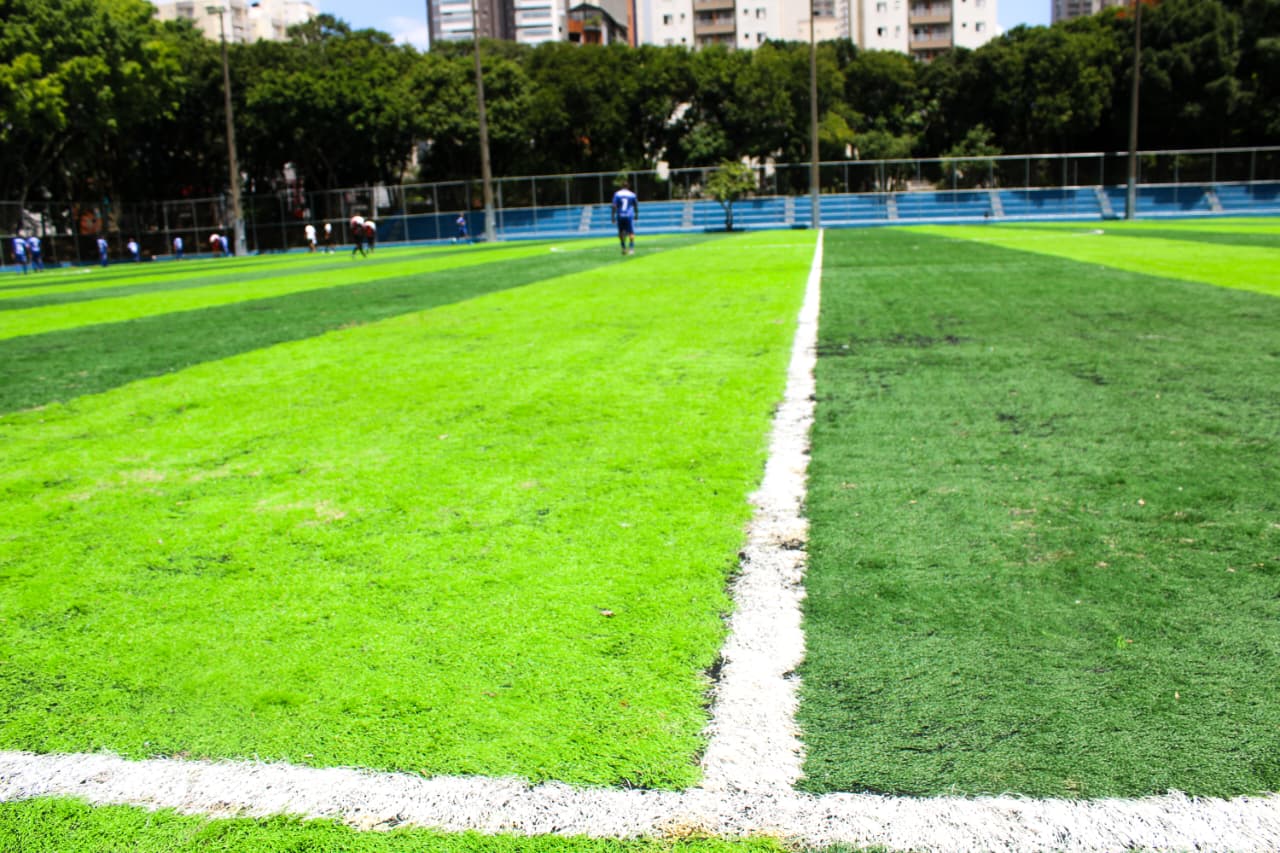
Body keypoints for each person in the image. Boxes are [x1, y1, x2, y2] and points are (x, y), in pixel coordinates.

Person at [612, 180, 638, 255]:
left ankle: (623, 248)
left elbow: (614, 206)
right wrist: (636, 215)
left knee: (620, 232)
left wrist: (613, 217)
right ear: (628, 186)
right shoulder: (632, 194)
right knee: (631, 232)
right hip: (629, 215)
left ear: (621, 186)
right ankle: (631, 249)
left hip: (620, 214)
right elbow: (635, 206)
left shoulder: (617, 194)